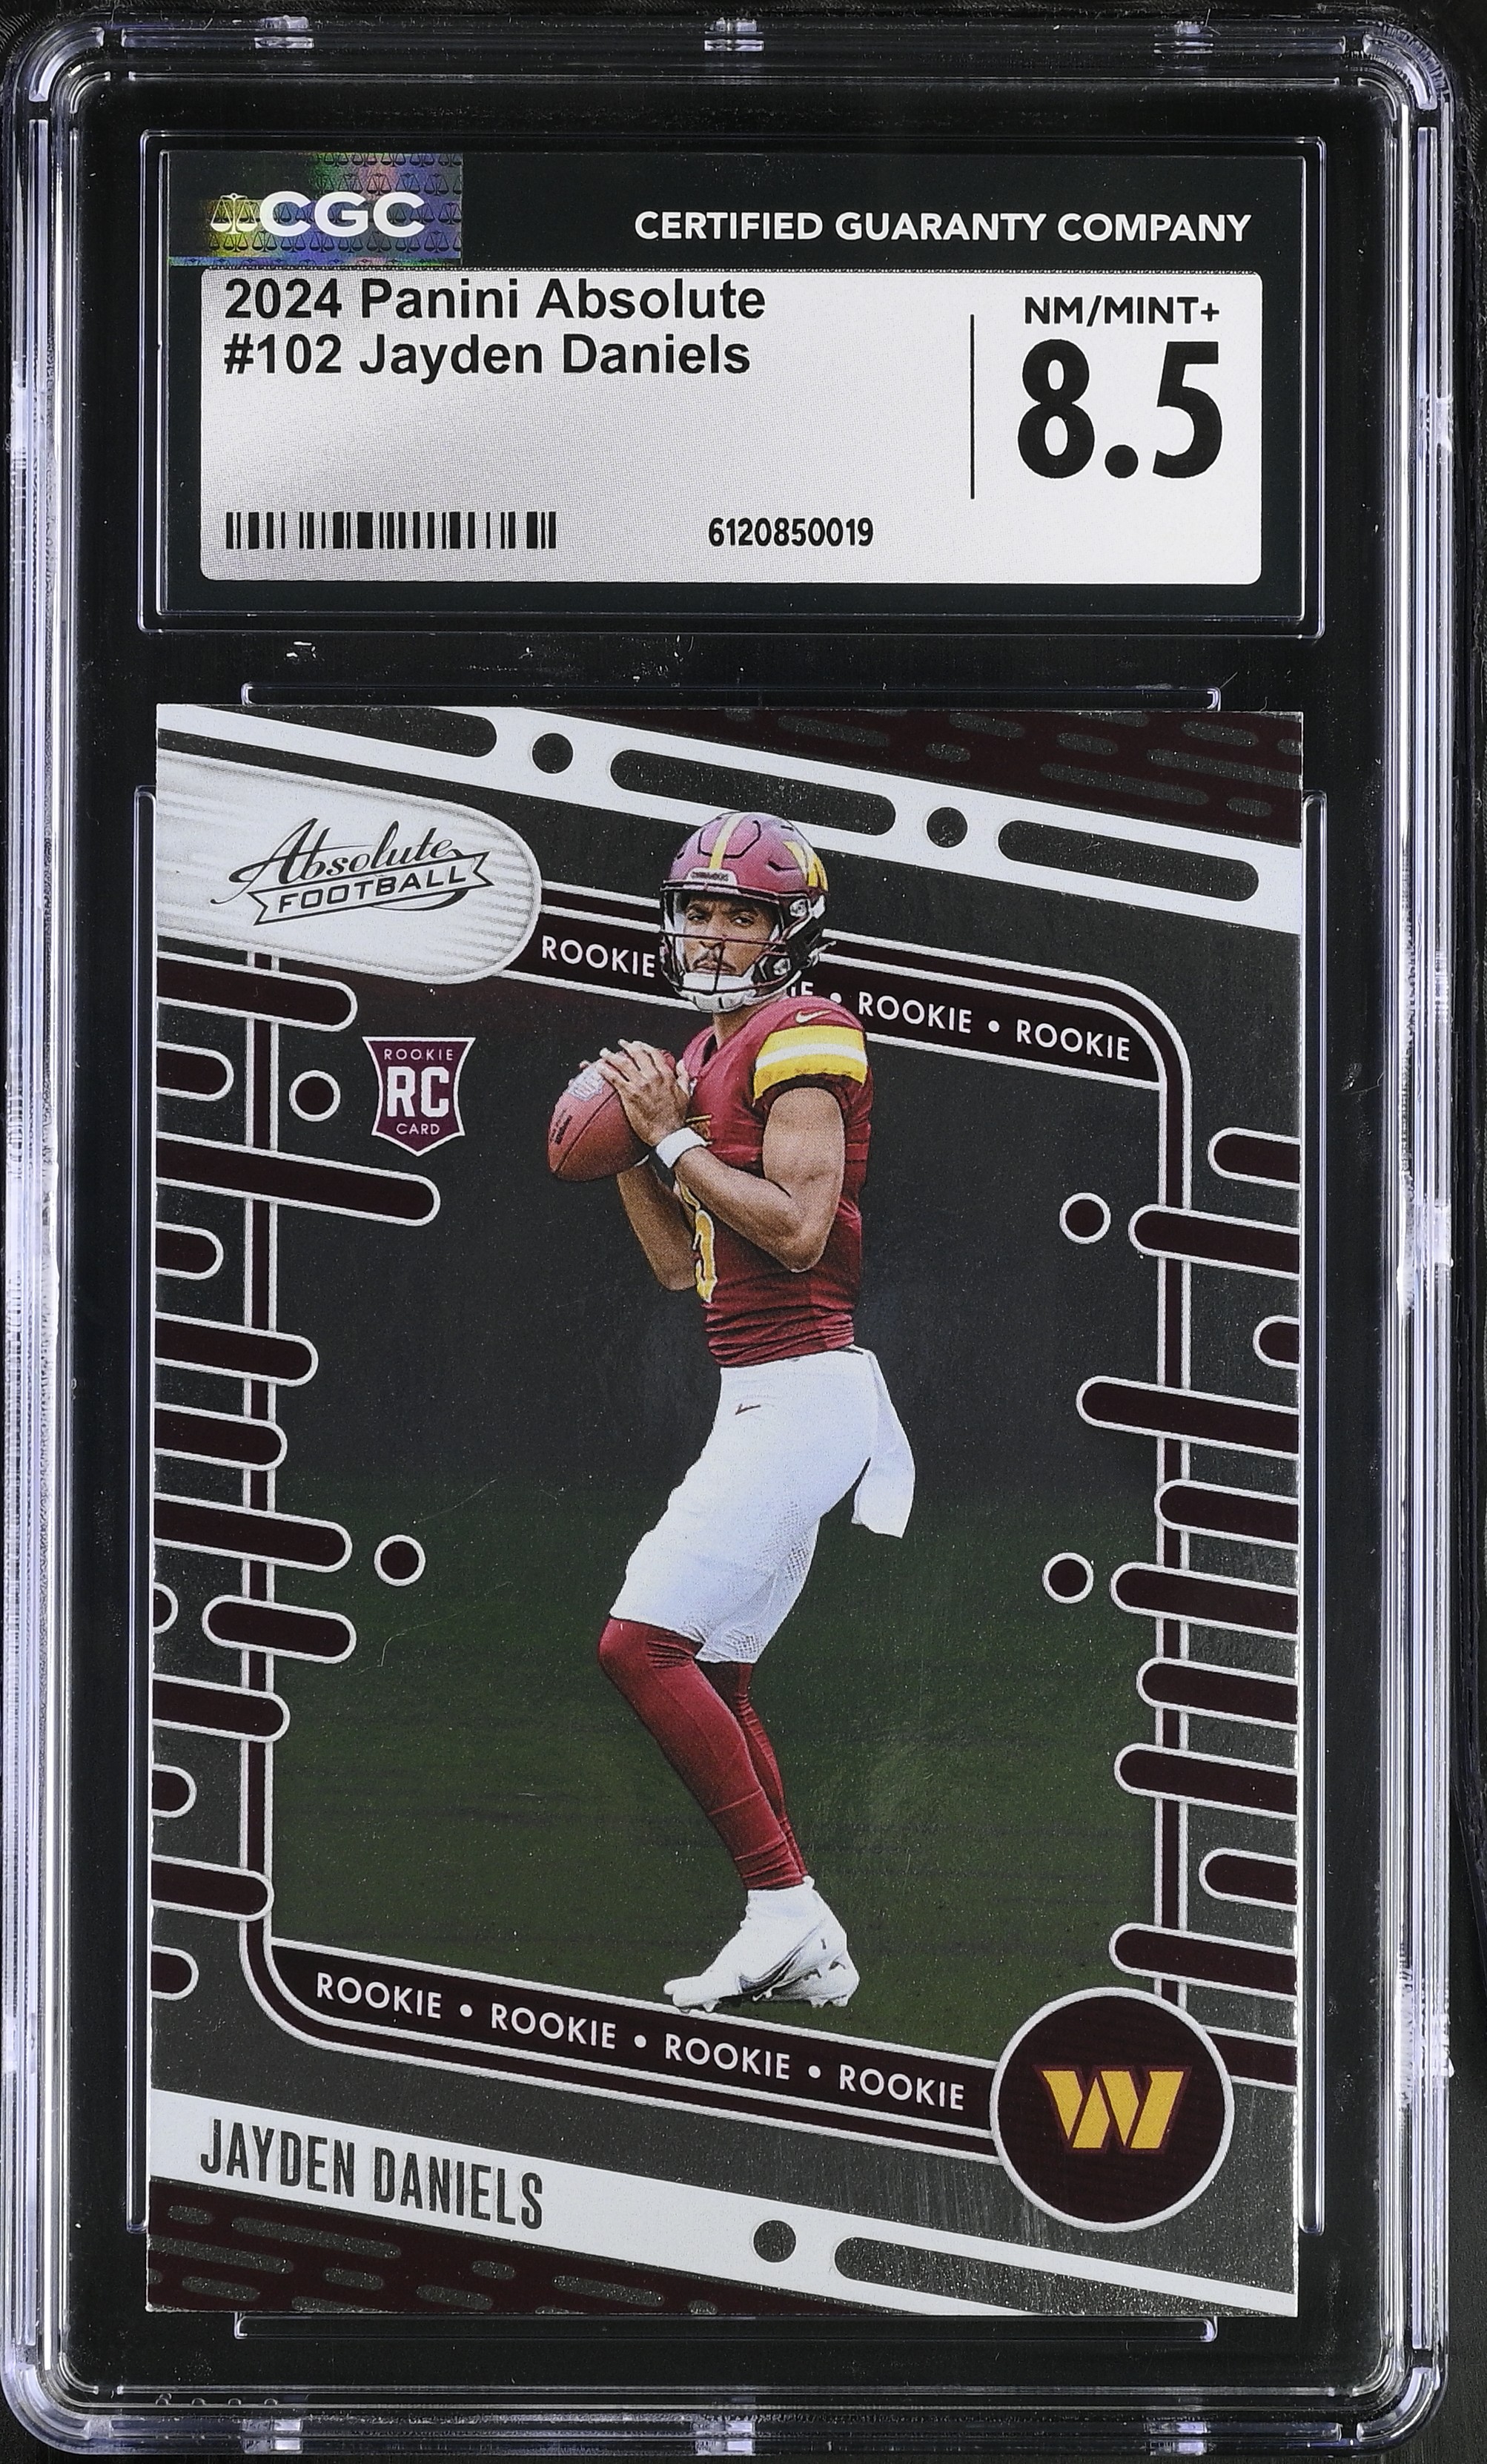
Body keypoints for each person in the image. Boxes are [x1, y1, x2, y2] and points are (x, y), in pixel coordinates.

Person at [592, 812, 913, 2013]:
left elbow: (796, 1231)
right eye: (699, 910)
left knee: (638, 1646)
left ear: (790, 934)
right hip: (761, 1391)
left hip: (806, 1392)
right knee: (715, 1670)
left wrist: (670, 1133)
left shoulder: (807, 1032)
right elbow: (677, 1267)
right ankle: (808, 1942)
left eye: (743, 914)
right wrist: (630, 1151)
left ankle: (782, 1907)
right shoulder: (703, 1047)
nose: (714, 933)